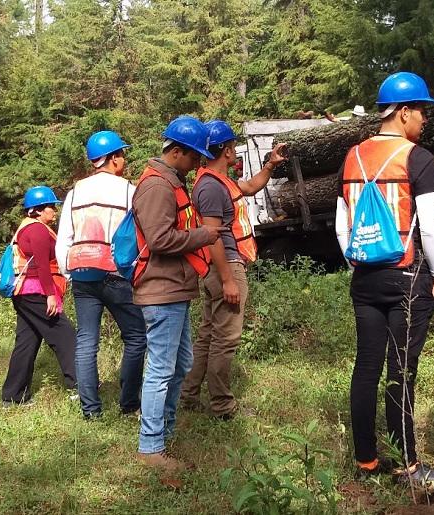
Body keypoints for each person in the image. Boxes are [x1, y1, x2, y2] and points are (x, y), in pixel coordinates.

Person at [334, 72, 434, 483]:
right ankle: (408, 466)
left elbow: (341, 225)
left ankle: (365, 462)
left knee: (366, 367)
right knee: (401, 369)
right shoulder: (416, 158)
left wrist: (357, 264)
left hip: (364, 277)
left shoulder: (353, 156)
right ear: (402, 112)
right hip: (406, 277)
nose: (424, 119)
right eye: (421, 110)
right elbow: (431, 228)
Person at [180, 120, 285, 419]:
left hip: (223, 265)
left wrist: (270, 165)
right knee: (225, 339)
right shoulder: (211, 187)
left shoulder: (217, 180)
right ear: (226, 151)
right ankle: (222, 406)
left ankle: (188, 396)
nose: (235, 151)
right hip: (224, 266)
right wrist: (228, 279)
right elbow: (212, 237)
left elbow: (250, 187)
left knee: (209, 335)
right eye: (233, 146)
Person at [132, 116, 220, 471]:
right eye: (195, 156)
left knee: (180, 364)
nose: (199, 162)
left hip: (174, 290)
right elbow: (159, 240)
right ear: (177, 151)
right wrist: (204, 235)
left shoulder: (172, 181)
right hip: (161, 291)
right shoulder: (157, 187)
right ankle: (152, 449)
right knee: (160, 370)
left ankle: (164, 433)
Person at [56, 131, 147, 419]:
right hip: (117, 273)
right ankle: (129, 403)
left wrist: (68, 273)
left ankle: (91, 410)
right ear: (113, 158)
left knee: (86, 342)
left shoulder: (75, 192)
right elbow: (138, 235)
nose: (124, 159)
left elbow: (64, 238)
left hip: (83, 274)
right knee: (135, 337)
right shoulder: (128, 190)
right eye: (121, 153)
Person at [2, 185, 77, 405]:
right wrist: (50, 295)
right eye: (50, 207)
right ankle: (80, 387)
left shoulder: (26, 228)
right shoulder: (37, 230)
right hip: (36, 292)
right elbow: (43, 265)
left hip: (23, 293)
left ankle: (12, 396)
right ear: (36, 210)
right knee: (66, 336)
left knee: (27, 341)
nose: (54, 211)